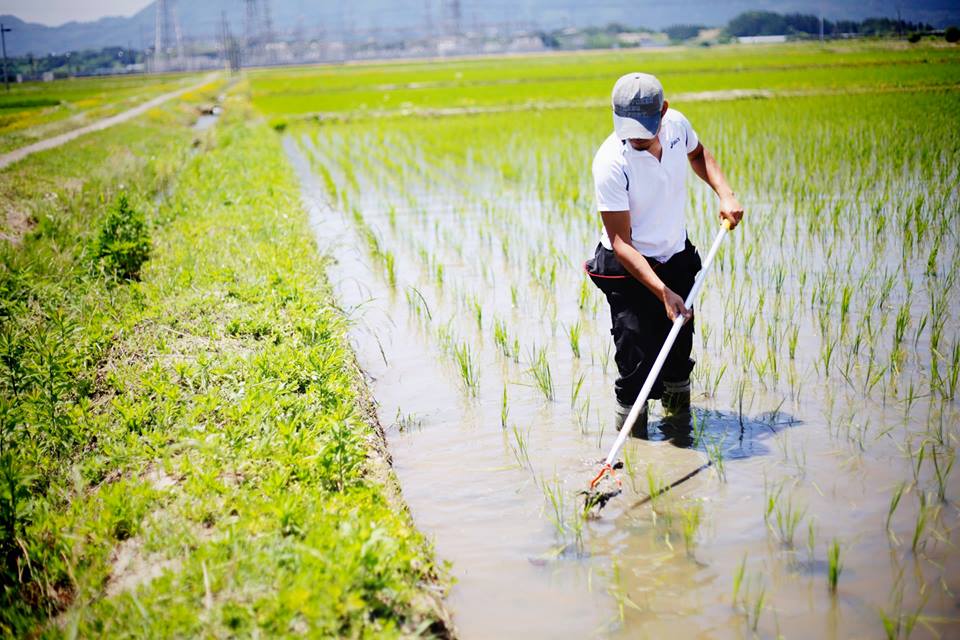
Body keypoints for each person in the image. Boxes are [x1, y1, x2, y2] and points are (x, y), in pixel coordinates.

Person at [584, 72, 743, 442]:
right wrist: (661, 292)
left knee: (677, 355)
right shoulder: (610, 162)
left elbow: (699, 154)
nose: (636, 137)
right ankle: (633, 447)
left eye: (644, 128)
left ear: (664, 112)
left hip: (675, 257)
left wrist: (725, 193)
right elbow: (621, 243)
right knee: (636, 363)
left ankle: (678, 435)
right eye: (628, 128)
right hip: (629, 269)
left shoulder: (677, 126)